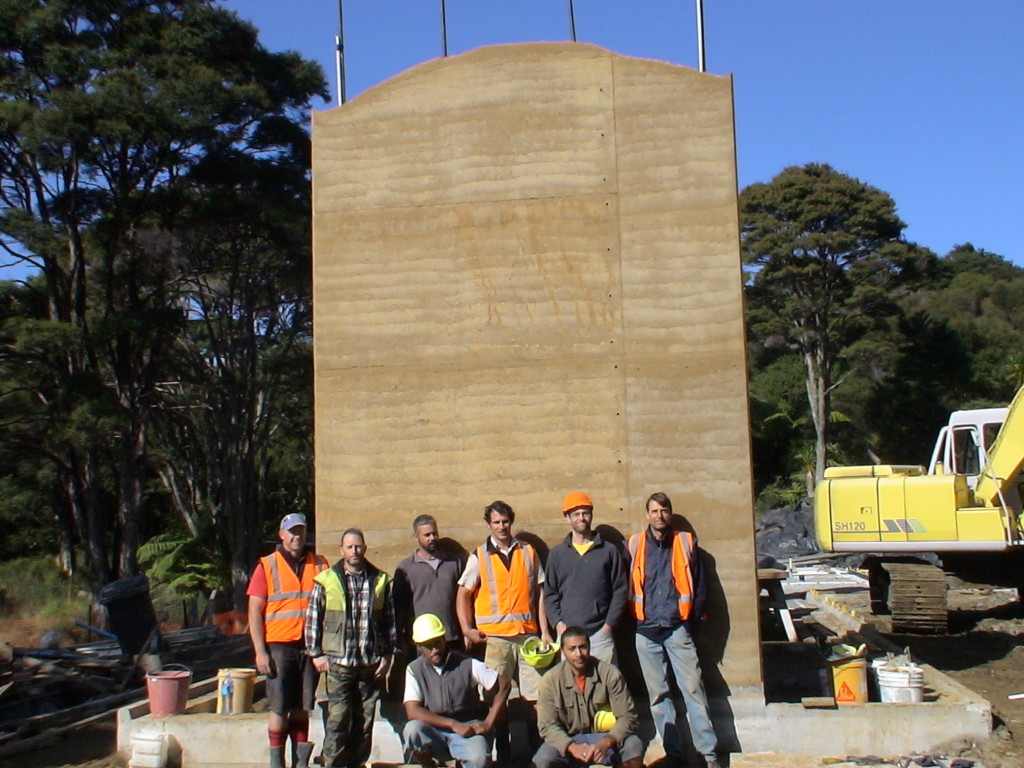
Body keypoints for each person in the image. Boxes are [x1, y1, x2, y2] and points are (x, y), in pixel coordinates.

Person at [626, 492, 719, 768]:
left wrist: (688, 621)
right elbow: (624, 584)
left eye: (663, 510)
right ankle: (674, 752)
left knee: (693, 690)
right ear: (647, 515)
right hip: (646, 631)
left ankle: (708, 755)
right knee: (659, 696)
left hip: (677, 628)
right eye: (654, 511)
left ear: (670, 513)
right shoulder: (633, 544)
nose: (659, 516)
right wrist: (635, 622)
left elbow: (701, 584)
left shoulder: (685, 541)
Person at [456, 500, 553, 762]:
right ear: (489, 524)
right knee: (496, 698)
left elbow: (540, 592)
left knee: (537, 696)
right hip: (495, 640)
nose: (502, 527)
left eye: (505, 521)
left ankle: (537, 750)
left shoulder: (529, 552)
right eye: (496, 522)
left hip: (527, 637)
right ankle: (504, 752)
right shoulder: (479, 556)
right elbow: (463, 593)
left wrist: (544, 630)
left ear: (512, 521)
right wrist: (467, 630)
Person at [305, 529, 398, 768]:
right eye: (349, 547)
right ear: (341, 550)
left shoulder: (379, 580)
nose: (354, 551)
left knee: (364, 722)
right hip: (338, 663)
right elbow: (313, 617)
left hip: (369, 663)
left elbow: (389, 621)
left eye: (358, 546)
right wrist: (315, 653)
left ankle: (357, 764)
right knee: (338, 721)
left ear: (365, 548)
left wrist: (387, 656)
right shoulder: (328, 580)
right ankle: (333, 764)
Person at [247, 513, 329, 768]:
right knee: (280, 707)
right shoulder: (267, 565)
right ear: (282, 535)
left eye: (301, 531)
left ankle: (300, 761)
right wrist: (260, 652)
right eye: (291, 531)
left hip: (309, 647)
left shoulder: (319, 563)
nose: (297, 536)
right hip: (279, 647)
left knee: (304, 706)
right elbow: (254, 611)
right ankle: (277, 762)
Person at [403, 613, 511, 768]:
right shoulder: (414, 669)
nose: (435, 650)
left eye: (437, 643)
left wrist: (488, 722)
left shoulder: (467, 663)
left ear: (444, 639)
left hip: (467, 728)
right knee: (412, 730)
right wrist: (452, 724)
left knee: (479, 760)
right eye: (428, 646)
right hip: (436, 730)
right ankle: (431, 764)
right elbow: (412, 710)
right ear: (419, 647)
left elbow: (504, 685)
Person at [534, 626, 643, 768]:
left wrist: (606, 742)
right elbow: (547, 725)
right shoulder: (550, 681)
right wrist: (572, 747)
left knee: (633, 745)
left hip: (605, 739)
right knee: (543, 758)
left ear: (589, 647)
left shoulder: (610, 674)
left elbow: (628, 716)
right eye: (572, 649)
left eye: (582, 647)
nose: (578, 654)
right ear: (563, 651)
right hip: (569, 740)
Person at [544, 491, 627, 662]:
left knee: (606, 684)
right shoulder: (557, 554)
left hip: (600, 636)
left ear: (591, 515)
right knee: (571, 685)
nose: (581, 518)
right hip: (568, 636)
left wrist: (608, 627)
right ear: (568, 518)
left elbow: (620, 591)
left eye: (585, 513)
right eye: (576, 514)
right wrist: (559, 626)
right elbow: (550, 594)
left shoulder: (608, 551)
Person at [394, 515, 463, 646]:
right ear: (416, 537)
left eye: (434, 533)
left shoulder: (454, 563)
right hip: (422, 641)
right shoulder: (405, 569)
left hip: (452, 638)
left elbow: (465, 599)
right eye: (427, 535)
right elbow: (399, 609)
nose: (432, 538)